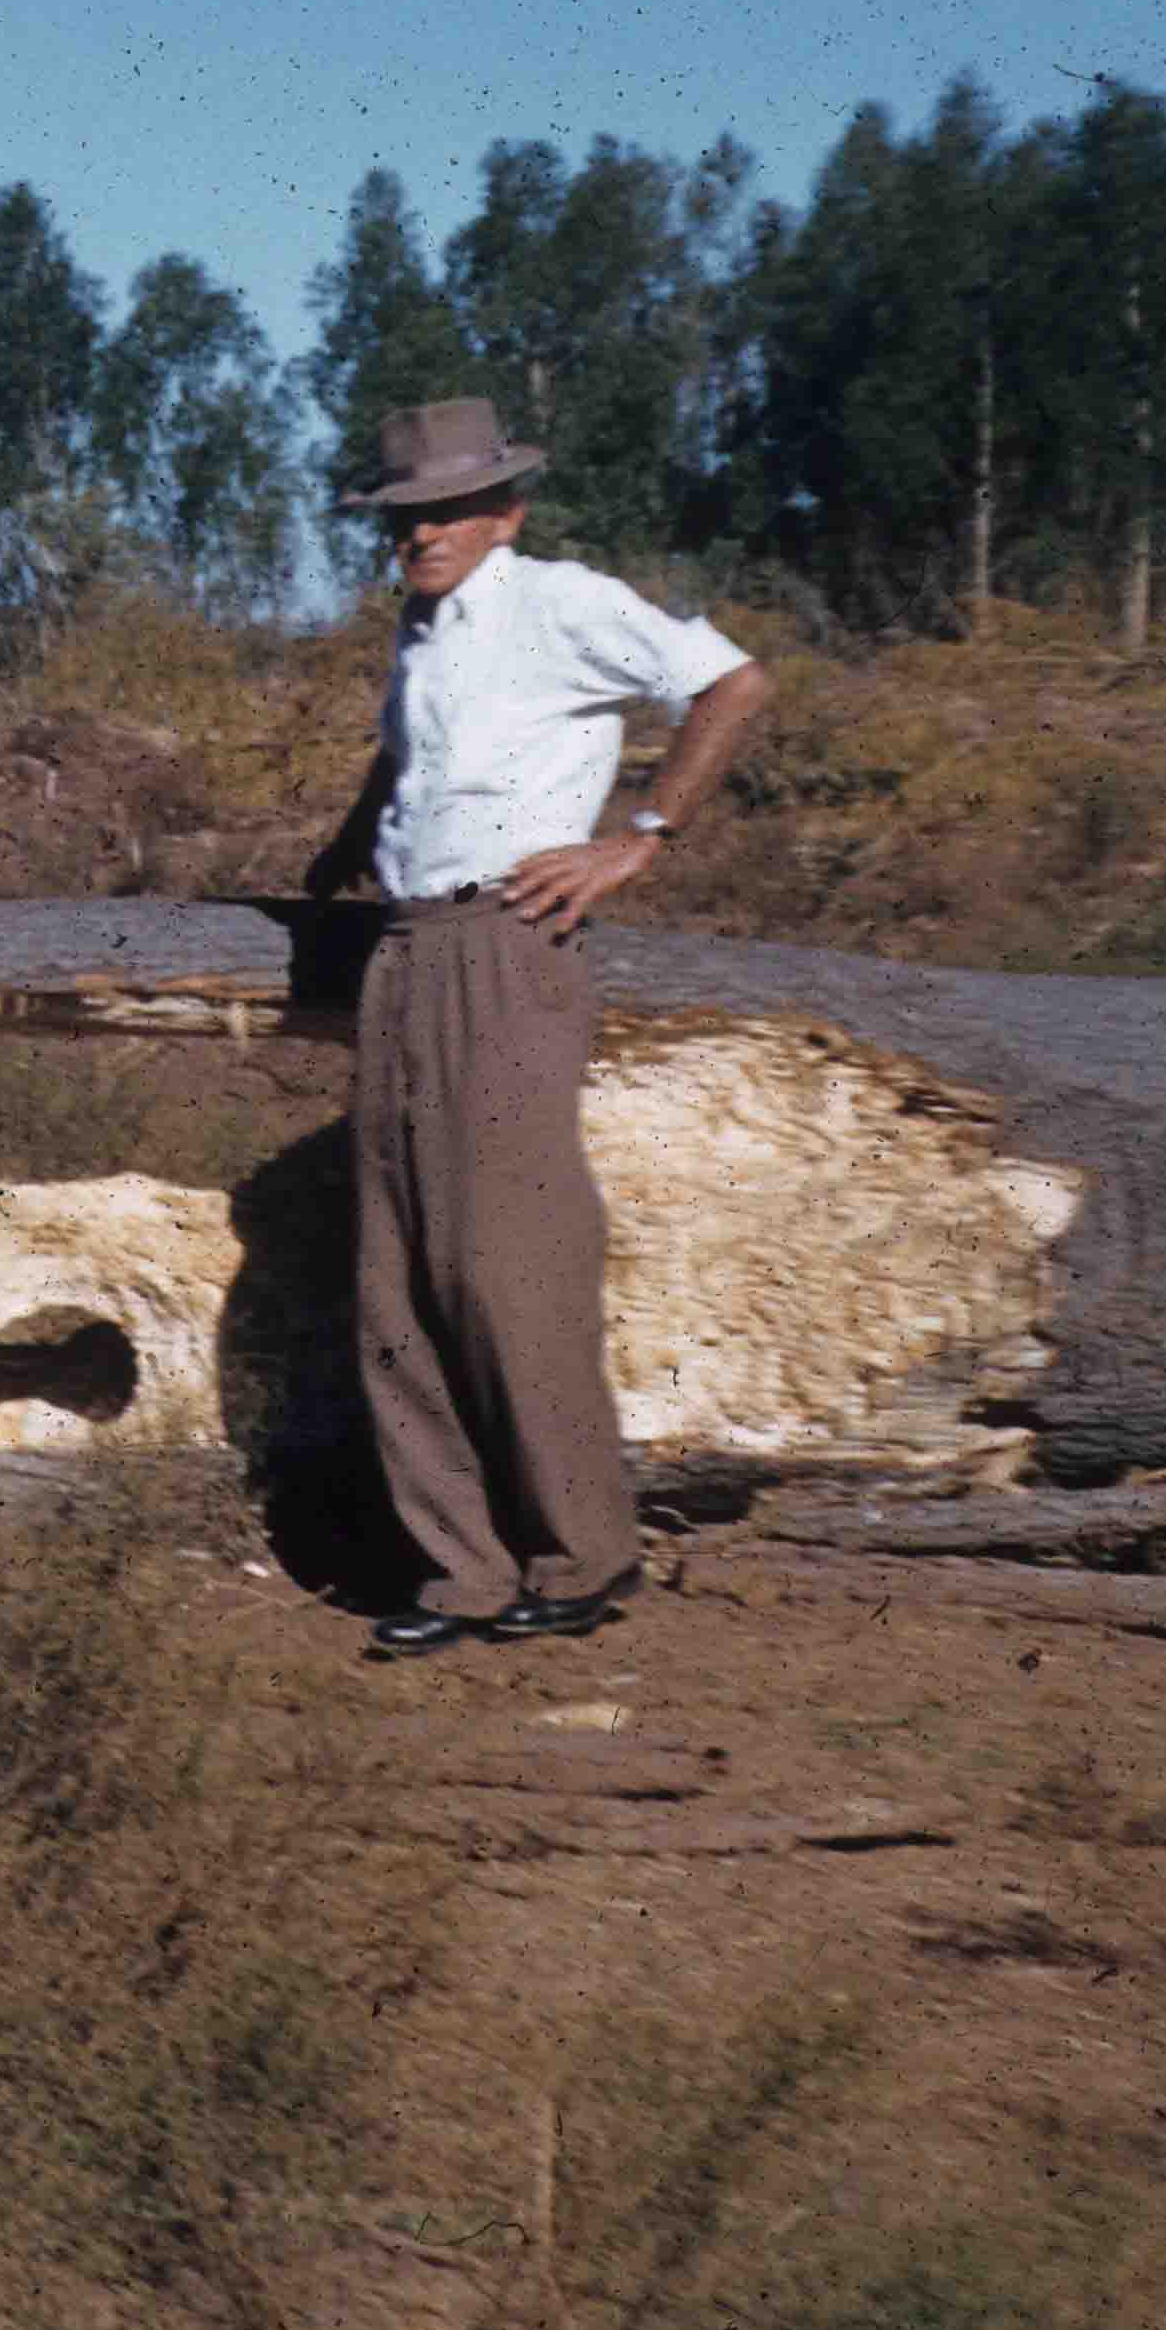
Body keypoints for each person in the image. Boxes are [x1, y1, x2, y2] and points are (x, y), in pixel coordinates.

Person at [300, 398, 774, 1660]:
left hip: (506, 946)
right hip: (402, 950)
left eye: (447, 509)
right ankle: (456, 1570)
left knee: (508, 1266)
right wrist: (345, 849)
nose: (421, 533)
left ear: (503, 510)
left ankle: (583, 1555)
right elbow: (411, 762)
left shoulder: (556, 600)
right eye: (402, 516)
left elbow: (729, 681)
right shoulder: (419, 627)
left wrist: (638, 840)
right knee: (394, 1281)